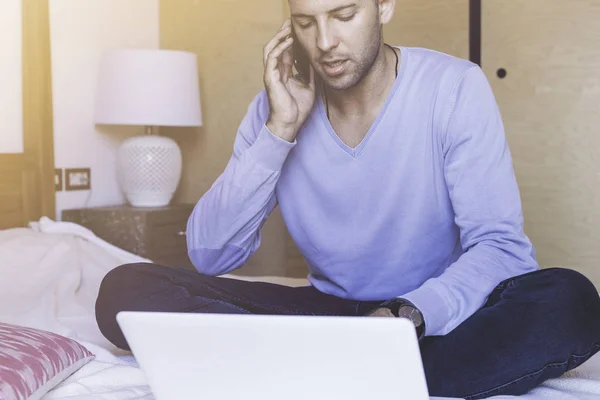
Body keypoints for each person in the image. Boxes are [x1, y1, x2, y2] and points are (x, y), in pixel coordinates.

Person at [95, 0, 600, 398]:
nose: (326, 42)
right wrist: (281, 129)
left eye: (343, 15)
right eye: (305, 23)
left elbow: (501, 247)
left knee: (571, 301)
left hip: (428, 318)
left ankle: (325, 373)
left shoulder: (453, 88)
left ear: (384, 6)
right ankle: (356, 373)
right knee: (125, 287)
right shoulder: (277, 106)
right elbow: (211, 254)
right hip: (327, 317)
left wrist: (404, 317)